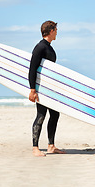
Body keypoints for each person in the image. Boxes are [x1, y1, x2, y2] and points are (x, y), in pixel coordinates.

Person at [28, 20, 65, 156]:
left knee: (55, 114)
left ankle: (51, 146)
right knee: (41, 115)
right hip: (41, 88)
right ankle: (35, 148)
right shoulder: (40, 47)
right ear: (50, 31)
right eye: (55, 30)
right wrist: (33, 90)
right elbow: (32, 69)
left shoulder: (49, 47)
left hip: (49, 89)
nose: (57, 32)